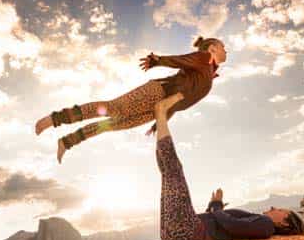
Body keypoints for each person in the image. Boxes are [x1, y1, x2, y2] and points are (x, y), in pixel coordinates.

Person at [35, 36, 227, 163]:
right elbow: (182, 59)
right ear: (212, 49)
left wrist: (160, 122)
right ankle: (55, 119)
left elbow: (180, 101)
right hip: (157, 92)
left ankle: (67, 142)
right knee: (112, 108)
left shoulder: (209, 73)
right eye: (223, 47)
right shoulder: (204, 58)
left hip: (158, 109)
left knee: (111, 125)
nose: (226, 50)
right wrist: (158, 60)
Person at [154, 92, 304, 240]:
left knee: (173, 171)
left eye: (281, 211)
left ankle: (161, 113)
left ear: (284, 223)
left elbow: (231, 225)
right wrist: (215, 205)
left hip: (186, 230)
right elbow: (225, 225)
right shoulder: (261, 225)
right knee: (169, 172)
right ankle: (160, 117)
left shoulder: (265, 225)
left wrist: (217, 207)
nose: (275, 207)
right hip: (177, 231)